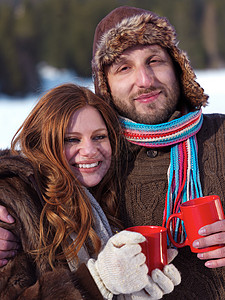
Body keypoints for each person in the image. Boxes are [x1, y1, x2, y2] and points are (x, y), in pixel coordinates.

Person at [90, 6, 225, 299]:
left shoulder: (221, 135)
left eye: (154, 61)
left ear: (178, 68)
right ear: (105, 85)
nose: (145, 80)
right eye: (124, 67)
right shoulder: (91, 157)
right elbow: (30, 181)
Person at [0, 83, 180, 300]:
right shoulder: (14, 203)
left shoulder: (100, 198)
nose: (90, 151)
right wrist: (97, 281)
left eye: (99, 137)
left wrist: (128, 290)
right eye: (71, 139)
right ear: (43, 141)